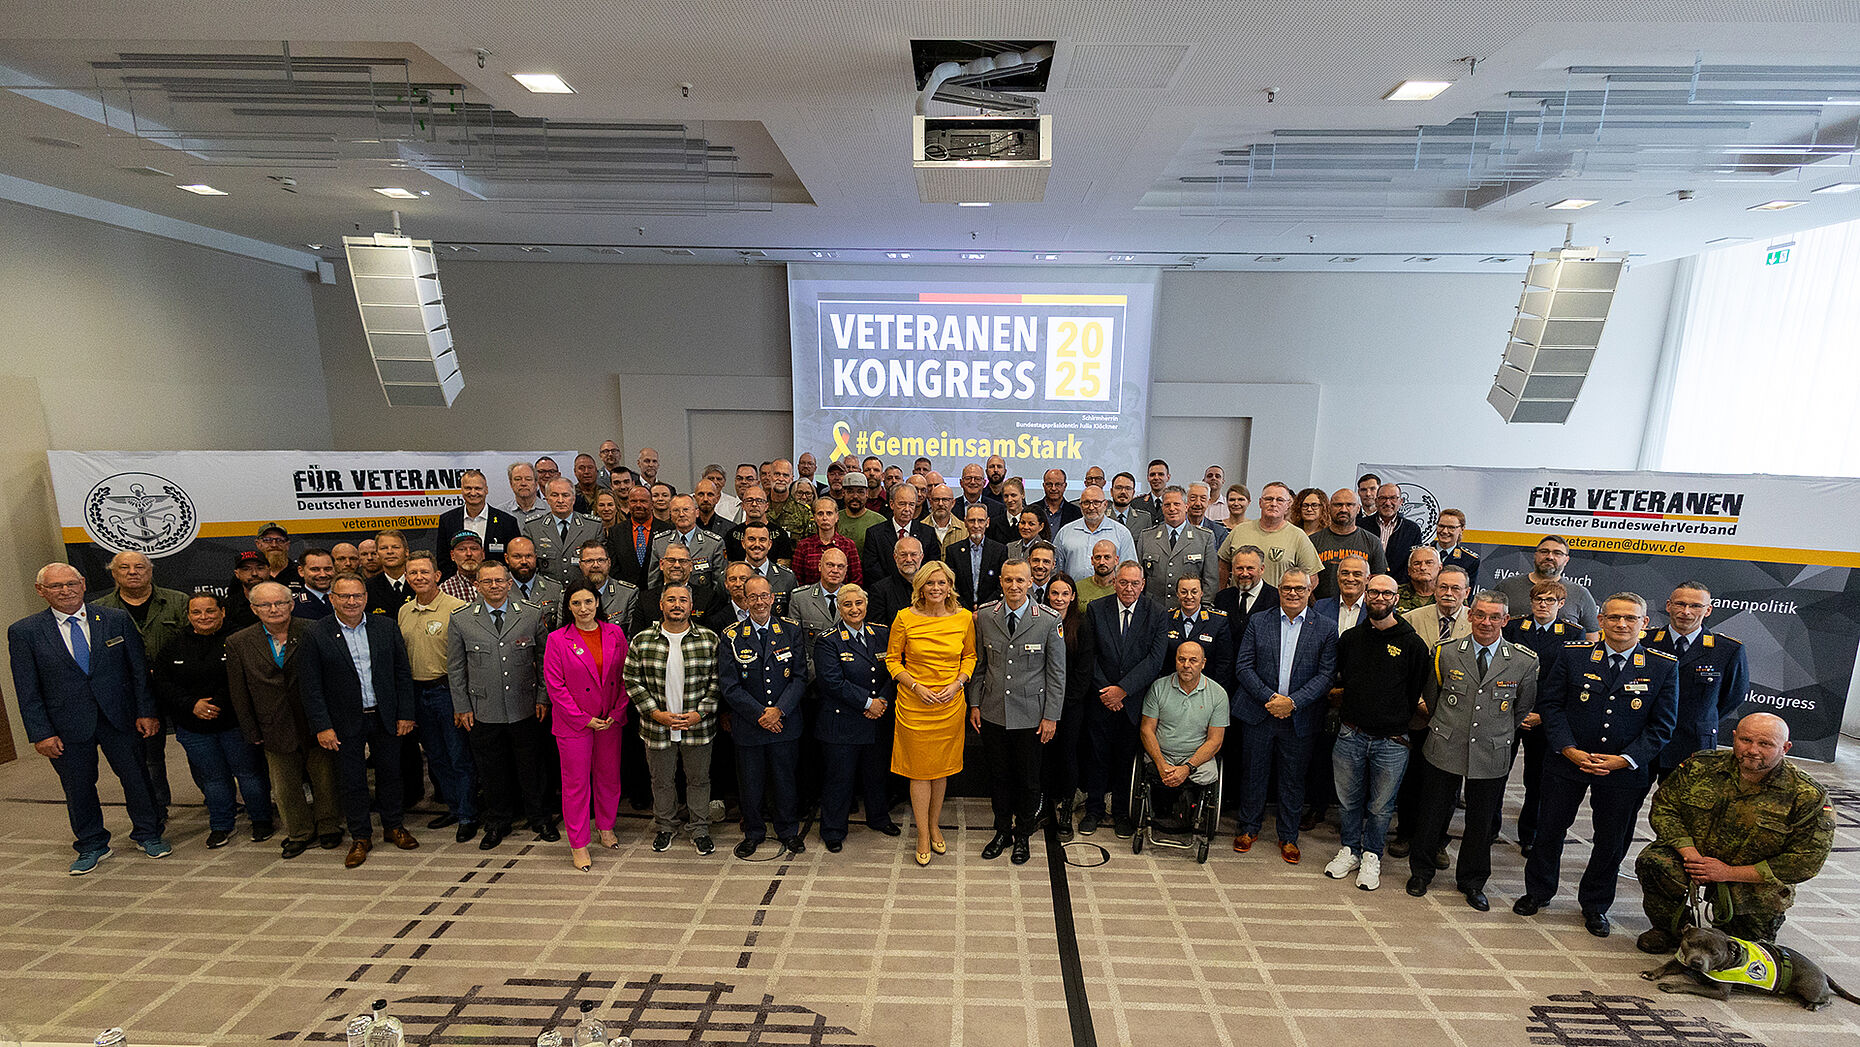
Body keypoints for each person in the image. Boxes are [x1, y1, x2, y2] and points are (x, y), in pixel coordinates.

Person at [1515, 592, 1679, 938]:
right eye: (1614, 617)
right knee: (1549, 830)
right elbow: (1552, 706)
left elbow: (1662, 726)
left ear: (1644, 624)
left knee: (1611, 840)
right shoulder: (1572, 656)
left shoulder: (1662, 666)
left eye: (1630, 618)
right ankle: (1538, 892)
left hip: (1623, 770)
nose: (1622, 624)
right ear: (1601, 621)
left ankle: (1595, 904)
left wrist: (1624, 760)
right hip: (1567, 762)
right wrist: (1568, 749)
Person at [11, 563, 169, 872]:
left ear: (83, 584)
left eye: (71, 583)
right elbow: (26, 688)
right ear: (41, 591)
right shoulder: (25, 632)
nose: (66, 590)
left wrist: (146, 711)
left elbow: (138, 672)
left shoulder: (115, 620)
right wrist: (40, 732)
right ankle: (92, 843)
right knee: (78, 787)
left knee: (137, 778)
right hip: (65, 725)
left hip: (120, 718)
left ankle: (149, 834)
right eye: (56, 586)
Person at [1633, 713, 1834, 953]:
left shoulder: (1806, 795)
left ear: (1785, 748)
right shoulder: (1700, 767)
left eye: (1765, 744)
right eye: (1746, 740)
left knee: (1739, 952)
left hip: (1752, 879)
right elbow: (1665, 808)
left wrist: (1727, 872)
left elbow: (1805, 861)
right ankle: (1672, 929)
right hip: (1695, 858)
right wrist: (1690, 854)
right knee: (1654, 861)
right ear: (1734, 737)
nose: (1752, 750)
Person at [1404, 591, 1537, 911]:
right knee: (1431, 813)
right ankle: (1421, 872)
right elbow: (1433, 699)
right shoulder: (1445, 652)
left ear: (1505, 620)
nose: (1486, 622)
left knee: (1481, 821)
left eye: (1494, 617)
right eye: (1480, 615)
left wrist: (1495, 730)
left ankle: (1472, 881)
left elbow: (1521, 709)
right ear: (1470, 616)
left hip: (1491, 750)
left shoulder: (1524, 660)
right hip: (1446, 743)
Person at [297, 572, 419, 869]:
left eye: (358, 596)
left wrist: (405, 713)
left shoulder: (386, 627)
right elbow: (310, 686)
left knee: (391, 774)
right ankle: (361, 837)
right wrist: (322, 726)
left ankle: (394, 826)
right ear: (332, 599)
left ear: (366, 598)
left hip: (385, 715)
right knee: (353, 781)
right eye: (345, 596)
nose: (352, 601)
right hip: (343, 721)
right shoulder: (316, 633)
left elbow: (402, 674)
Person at [1325, 574, 1427, 891]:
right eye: (1374, 592)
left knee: (1381, 807)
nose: (1379, 598)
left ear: (1397, 598)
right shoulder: (1351, 639)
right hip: (1350, 734)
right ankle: (1350, 850)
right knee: (1348, 801)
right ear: (1366, 595)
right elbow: (1339, 678)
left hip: (1392, 741)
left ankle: (1372, 855)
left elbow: (1416, 693)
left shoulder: (1412, 644)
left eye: (1387, 593)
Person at [447, 560, 557, 850]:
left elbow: (546, 660)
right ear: (477, 585)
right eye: (487, 582)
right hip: (483, 709)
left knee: (531, 767)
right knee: (492, 770)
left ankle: (540, 817)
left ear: (509, 584)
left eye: (499, 581)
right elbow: (456, 668)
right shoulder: (461, 619)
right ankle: (497, 822)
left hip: (526, 706)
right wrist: (462, 706)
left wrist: (543, 697)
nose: (494, 586)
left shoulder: (531, 615)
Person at [225, 580, 341, 857]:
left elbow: (332, 678)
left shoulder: (315, 630)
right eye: (265, 604)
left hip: (315, 720)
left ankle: (329, 827)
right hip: (272, 724)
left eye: (280, 603)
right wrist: (251, 729)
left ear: (291, 604)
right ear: (254, 609)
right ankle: (299, 832)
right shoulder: (239, 642)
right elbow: (239, 691)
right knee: (285, 785)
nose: (274, 609)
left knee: (325, 778)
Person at [1231, 567, 1336, 863]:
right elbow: (1243, 667)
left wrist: (1292, 702)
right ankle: (1248, 827)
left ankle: (1288, 836)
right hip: (1259, 712)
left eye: (1299, 589)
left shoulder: (1325, 627)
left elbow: (1327, 675)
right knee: (1253, 773)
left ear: (1309, 592)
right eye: (1287, 588)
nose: (1293, 593)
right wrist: (1271, 698)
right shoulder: (1258, 621)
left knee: (1293, 779)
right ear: (1279, 590)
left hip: (1299, 717)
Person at [156, 592, 274, 849]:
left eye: (210, 611)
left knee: (249, 774)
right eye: (196, 612)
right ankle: (221, 824)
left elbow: (246, 679)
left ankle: (262, 820)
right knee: (213, 778)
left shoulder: (241, 639)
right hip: (193, 726)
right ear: (188, 616)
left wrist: (216, 704)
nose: (204, 617)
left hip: (235, 724)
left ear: (222, 611)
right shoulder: (174, 645)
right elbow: (163, 683)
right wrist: (192, 705)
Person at [968, 559, 1065, 865]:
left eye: (1020, 581)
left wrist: (1051, 716)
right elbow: (980, 666)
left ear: (1030, 583)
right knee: (998, 776)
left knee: (1027, 779)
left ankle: (1023, 833)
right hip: (994, 710)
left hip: (1031, 716)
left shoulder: (1048, 620)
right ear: (1001, 582)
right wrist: (975, 703)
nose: (1014, 586)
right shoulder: (985, 616)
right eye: (1008, 580)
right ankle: (1001, 831)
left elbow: (1056, 674)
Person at [885, 561, 977, 865]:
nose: (936, 589)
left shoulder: (964, 618)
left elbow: (970, 656)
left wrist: (958, 684)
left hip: (950, 704)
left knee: (941, 770)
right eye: (929, 584)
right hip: (914, 704)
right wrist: (915, 687)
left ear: (950, 586)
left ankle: (935, 824)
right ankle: (922, 832)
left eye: (941, 583)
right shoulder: (904, 618)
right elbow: (892, 661)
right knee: (919, 771)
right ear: (920, 587)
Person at [90, 550, 190, 829]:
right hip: (134, 695)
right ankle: (158, 808)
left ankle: (216, 799)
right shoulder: (100, 611)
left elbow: (191, 642)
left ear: (150, 571)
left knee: (197, 748)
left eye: (139, 567)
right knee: (148, 757)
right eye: (125, 567)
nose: (133, 572)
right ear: (113, 573)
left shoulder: (177, 601)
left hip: (178, 689)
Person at [625, 583, 722, 854]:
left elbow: (717, 682)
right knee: (661, 780)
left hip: (698, 726)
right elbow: (631, 680)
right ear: (661, 605)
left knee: (699, 780)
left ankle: (700, 828)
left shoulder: (708, 639)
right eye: (671, 600)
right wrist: (655, 713)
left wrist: (699, 713)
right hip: (657, 726)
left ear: (691, 606)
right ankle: (666, 826)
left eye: (682, 600)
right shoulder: (642, 640)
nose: (677, 605)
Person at [1079, 561, 1170, 838]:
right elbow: (1089, 655)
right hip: (1101, 698)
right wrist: (1108, 690)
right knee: (1096, 757)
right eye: (1123, 582)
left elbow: (1155, 660)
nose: (1128, 588)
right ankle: (1093, 810)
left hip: (1133, 702)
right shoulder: (1096, 609)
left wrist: (1123, 690)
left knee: (1125, 759)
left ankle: (1121, 812)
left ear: (1143, 585)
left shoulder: (1156, 613)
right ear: (1115, 582)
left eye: (1134, 583)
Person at [719, 576, 808, 857]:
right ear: (744, 601)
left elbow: (799, 677)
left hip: (784, 723)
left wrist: (778, 710)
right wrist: (760, 714)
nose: (759, 602)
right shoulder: (731, 637)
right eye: (752, 597)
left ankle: (787, 831)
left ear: (773, 598)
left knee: (785, 781)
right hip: (749, 725)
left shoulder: (791, 631)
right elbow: (729, 685)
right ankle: (754, 832)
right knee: (751, 784)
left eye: (764, 596)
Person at [544, 580, 630, 871]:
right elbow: (555, 687)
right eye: (576, 603)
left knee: (608, 777)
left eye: (589, 602)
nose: (584, 608)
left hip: (609, 721)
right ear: (568, 607)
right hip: (574, 725)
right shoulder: (557, 639)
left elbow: (625, 676)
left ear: (598, 603)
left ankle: (606, 827)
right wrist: (583, 718)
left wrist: (617, 711)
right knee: (576, 784)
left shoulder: (615, 633)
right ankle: (578, 844)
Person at [813, 584, 902, 851]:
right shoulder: (828, 639)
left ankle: (878, 818)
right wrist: (868, 702)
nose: (854, 609)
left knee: (876, 775)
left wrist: (883, 700)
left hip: (877, 719)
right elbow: (831, 681)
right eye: (848, 605)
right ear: (839, 608)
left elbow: (893, 669)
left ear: (866, 605)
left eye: (859, 604)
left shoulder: (882, 633)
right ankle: (833, 830)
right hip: (843, 722)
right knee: (840, 779)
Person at [396, 551, 477, 842]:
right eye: (413, 573)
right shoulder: (404, 611)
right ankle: (454, 808)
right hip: (418, 693)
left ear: (437, 576)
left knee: (459, 758)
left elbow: (468, 659)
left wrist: (463, 701)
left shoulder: (458, 609)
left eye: (424, 572)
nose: (419, 577)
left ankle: (469, 814)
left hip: (448, 691)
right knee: (437, 757)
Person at [1502, 580, 1582, 855]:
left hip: (1544, 716)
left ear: (1561, 604)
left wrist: (1542, 715)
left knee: (1536, 780)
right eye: (1538, 599)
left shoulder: (1573, 634)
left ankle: (1529, 834)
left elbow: (1571, 683)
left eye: (1550, 601)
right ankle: (1489, 828)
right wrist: (1517, 709)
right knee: (1497, 773)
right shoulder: (1513, 627)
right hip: (1509, 712)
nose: (1543, 605)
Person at [1644, 581, 1750, 781]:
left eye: (1695, 606)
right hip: (1645, 740)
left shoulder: (1727, 650)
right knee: (1622, 808)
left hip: (1693, 744)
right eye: (1680, 604)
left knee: (1686, 810)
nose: (1686, 611)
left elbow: (1733, 696)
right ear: (1668, 606)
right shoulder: (1644, 642)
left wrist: (1701, 718)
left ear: (1708, 610)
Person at [1138, 641, 1227, 834]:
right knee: (1150, 771)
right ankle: (1164, 810)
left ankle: (1187, 811)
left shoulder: (1218, 694)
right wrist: (1161, 764)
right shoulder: (1158, 687)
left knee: (1209, 775)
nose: (1187, 664)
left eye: (1193, 660)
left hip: (1196, 761)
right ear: (1175, 661)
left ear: (1203, 663)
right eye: (1182, 659)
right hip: (1162, 756)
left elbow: (1215, 741)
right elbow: (1147, 730)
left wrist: (1187, 768)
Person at [1041, 574, 1091, 841]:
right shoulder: (1038, 620)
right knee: (1042, 755)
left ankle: (1065, 810)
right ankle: (1042, 805)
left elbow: (1083, 672)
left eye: (1064, 594)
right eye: (1054, 593)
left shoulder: (1081, 625)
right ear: (1047, 595)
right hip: (1041, 703)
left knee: (1068, 754)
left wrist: (1062, 705)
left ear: (1073, 597)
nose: (1059, 599)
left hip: (1071, 705)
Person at [1218, 482, 1320, 589]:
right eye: (1269, 499)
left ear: (1288, 505)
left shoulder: (1298, 536)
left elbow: (1312, 578)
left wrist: (1293, 600)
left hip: (1278, 603)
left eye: (1280, 500)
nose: (1273, 504)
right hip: (1239, 602)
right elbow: (1222, 568)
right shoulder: (1239, 531)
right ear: (1260, 503)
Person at [1496, 535, 1601, 639]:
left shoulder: (1580, 594)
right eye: (1544, 551)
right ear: (1535, 555)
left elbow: (1591, 637)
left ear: (1566, 560)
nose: (1550, 557)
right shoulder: (1507, 587)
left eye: (1557, 553)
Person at [1134, 487, 1219, 603]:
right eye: (1167, 505)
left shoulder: (1204, 538)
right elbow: (1138, 577)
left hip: (1187, 609)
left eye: (1177, 504)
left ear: (1186, 506)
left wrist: (1203, 607)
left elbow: (1211, 580)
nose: (1172, 509)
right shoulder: (1147, 537)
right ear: (1162, 508)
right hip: (1154, 609)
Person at [435, 468, 521, 576]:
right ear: (461, 490)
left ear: (486, 490)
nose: (473, 493)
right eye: (468, 488)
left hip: (496, 585)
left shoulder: (507, 522)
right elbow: (443, 560)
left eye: (478, 488)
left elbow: (513, 559)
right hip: (458, 587)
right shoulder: (447, 520)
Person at [1309, 489, 1387, 599]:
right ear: (1329, 507)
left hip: (1360, 610)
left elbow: (1378, 582)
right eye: (1338, 505)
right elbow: (1305, 582)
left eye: (1350, 505)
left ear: (1358, 508)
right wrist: (1316, 608)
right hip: (1320, 609)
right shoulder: (1312, 541)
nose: (1343, 509)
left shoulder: (1372, 542)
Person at [524, 478, 604, 583]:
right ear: (547, 499)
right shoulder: (533, 528)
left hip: (583, 591)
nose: (560, 500)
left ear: (574, 499)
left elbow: (601, 565)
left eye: (565, 495)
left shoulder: (593, 527)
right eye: (555, 495)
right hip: (547, 593)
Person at [1053, 484, 1137, 581]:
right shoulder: (1065, 532)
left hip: (1110, 594)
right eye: (1086, 503)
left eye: (1096, 502)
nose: (1091, 507)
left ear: (1105, 505)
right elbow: (1056, 568)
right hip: (1073, 593)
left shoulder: (1122, 533)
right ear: (1080, 506)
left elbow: (1129, 570)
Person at [862, 483, 941, 583]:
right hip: (886, 591)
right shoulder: (875, 534)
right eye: (902, 504)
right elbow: (871, 568)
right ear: (892, 504)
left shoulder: (927, 533)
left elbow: (932, 565)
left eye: (911, 504)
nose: (907, 509)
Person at [649, 494, 727, 587]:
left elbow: (719, 583)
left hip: (703, 599)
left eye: (686, 509)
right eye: (676, 510)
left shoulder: (713, 544)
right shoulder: (660, 543)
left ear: (697, 512)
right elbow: (654, 582)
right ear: (670, 514)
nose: (681, 514)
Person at [793, 496, 863, 586]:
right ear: (814, 517)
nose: (825, 518)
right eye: (820, 514)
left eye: (829, 513)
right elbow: (797, 580)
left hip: (843, 597)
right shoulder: (804, 546)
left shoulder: (848, 545)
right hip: (809, 597)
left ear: (837, 517)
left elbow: (856, 579)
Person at [949, 503, 1008, 609]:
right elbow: (951, 584)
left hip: (991, 610)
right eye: (972, 521)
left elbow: (1002, 584)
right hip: (959, 609)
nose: (976, 525)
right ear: (965, 522)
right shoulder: (953, 551)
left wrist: (984, 607)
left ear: (987, 522)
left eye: (981, 521)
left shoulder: (1000, 550)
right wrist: (964, 608)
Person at [1366, 483, 1424, 576]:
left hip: (1399, 586)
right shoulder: (1361, 526)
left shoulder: (1412, 530)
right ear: (1376, 501)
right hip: (1366, 584)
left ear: (1400, 501)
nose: (1388, 503)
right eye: (1383, 498)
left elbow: (1415, 562)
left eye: (1393, 498)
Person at [1428, 508, 1481, 586]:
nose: (1445, 531)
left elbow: (1467, 593)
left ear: (1462, 529)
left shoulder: (1470, 560)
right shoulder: (1421, 553)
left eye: (1451, 528)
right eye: (1441, 526)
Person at [439, 531, 487, 601]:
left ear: (483, 554)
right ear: (452, 555)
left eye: (474, 549)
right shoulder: (444, 591)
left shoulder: (497, 584)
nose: (469, 553)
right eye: (462, 549)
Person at [1033, 469, 1083, 536]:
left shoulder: (1076, 513)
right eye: (1049, 484)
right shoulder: (1032, 510)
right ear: (1043, 486)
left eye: (1058, 484)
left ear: (1065, 486)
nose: (1053, 488)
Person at [292, 547, 336, 619]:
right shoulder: (293, 605)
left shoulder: (348, 599)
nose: (323, 575)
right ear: (301, 571)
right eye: (315, 569)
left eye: (327, 569)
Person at [1076, 539, 1120, 609]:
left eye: (1107, 557)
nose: (1102, 562)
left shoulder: (1122, 588)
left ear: (1116, 560)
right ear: (1092, 560)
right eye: (1098, 557)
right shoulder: (1078, 588)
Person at [1396, 546, 1440, 612]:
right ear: (1409, 570)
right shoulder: (1395, 595)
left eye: (1429, 563)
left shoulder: (1446, 595)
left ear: (1440, 567)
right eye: (1417, 564)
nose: (1423, 567)